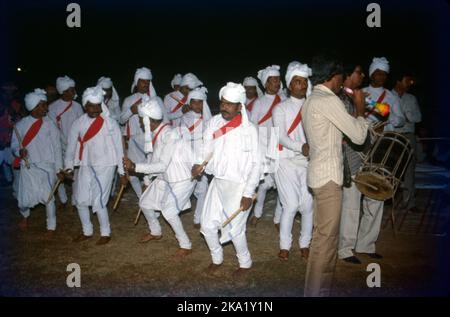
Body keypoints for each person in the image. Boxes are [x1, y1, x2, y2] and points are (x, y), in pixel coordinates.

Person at [302, 55, 369, 296]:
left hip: (319, 175)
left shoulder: (312, 99)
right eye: (342, 76)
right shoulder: (329, 101)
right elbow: (359, 136)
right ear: (334, 76)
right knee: (326, 242)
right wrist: (360, 110)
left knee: (322, 239)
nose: (344, 81)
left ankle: (316, 289)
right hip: (329, 179)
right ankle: (317, 292)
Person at [192, 82, 260, 277]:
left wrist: (248, 193)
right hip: (218, 181)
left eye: (230, 104)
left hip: (239, 185)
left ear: (240, 107)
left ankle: (245, 263)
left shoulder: (250, 130)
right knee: (206, 225)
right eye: (222, 103)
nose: (224, 107)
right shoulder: (214, 122)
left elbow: (256, 164)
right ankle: (217, 258)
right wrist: (199, 163)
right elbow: (207, 146)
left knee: (236, 229)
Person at [124, 97, 195, 258]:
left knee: (168, 211)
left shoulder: (169, 135)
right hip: (165, 177)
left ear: (149, 120)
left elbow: (161, 165)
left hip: (182, 178)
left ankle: (186, 245)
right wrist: (147, 180)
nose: (141, 124)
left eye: (142, 120)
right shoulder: (156, 133)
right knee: (145, 202)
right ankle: (156, 232)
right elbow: (153, 158)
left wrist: (135, 167)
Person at [65, 86, 127, 245]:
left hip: (106, 165)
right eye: (91, 105)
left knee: (98, 200)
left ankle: (105, 232)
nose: (95, 109)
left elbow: (119, 148)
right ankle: (87, 231)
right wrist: (69, 167)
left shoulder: (110, 122)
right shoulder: (78, 123)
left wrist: (122, 171)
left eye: (98, 105)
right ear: (85, 105)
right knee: (80, 200)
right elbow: (71, 147)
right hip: (85, 163)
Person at [337, 63, 384, 264]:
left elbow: (385, 110)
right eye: (358, 72)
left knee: (376, 197)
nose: (362, 75)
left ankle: (366, 244)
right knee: (351, 204)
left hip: (369, 153)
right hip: (349, 155)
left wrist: (366, 102)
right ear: (348, 75)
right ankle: (345, 249)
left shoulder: (358, 94)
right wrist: (359, 105)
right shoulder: (337, 97)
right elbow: (349, 128)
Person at [271, 62, 313, 261]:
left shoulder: (312, 106)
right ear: (289, 85)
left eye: (304, 81)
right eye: (297, 81)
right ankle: (285, 246)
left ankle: (305, 244)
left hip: (308, 161)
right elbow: (280, 137)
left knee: (307, 205)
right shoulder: (280, 108)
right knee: (290, 205)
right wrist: (301, 147)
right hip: (285, 160)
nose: (302, 85)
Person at [11, 89, 63, 236]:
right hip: (28, 166)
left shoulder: (49, 124)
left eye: (45, 105)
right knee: (24, 200)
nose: (45, 108)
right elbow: (15, 145)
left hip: (47, 166)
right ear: (32, 107)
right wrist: (18, 152)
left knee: (48, 198)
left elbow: (57, 147)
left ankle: (51, 227)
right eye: (41, 105)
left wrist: (59, 169)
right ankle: (25, 216)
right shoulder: (21, 125)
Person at [249, 65, 284, 228]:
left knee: (282, 184)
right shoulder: (259, 102)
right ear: (266, 83)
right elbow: (253, 125)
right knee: (263, 185)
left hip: (280, 144)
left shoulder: (284, 100)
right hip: (263, 145)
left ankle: (278, 218)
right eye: (273, 80)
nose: (276, 83)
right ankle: (257, 213)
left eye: (278, 79)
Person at [120, 67, 158, 200]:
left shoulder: (155, 99)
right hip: (134, 140)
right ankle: (142, 197)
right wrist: (131, 110)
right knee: (131, 173)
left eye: (148, 82)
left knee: (151, 171)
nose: (145, 84)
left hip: (150, 139)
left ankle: (152, 199)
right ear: (137, 82)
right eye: (142, 81)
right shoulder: (128, 100)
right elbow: (121, 119)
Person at [47, 76, 84, 209]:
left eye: (73, 89)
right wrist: (62, 142)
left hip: (75, 144)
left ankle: (75, 199)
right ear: (62, 91)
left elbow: (81, 125)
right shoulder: (52, 107)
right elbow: (52, 129)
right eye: (70, 90)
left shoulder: (78, 106)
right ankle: (62, 198)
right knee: (60, 170)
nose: (73, 92)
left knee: (74, 171)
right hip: (58, 144)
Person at [178, 87, 212, 227]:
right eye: (194, 102)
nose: (197, 105)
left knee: (203, 189)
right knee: (185, 187)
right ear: (189, 103)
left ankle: (198, 218)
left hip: (202, 157)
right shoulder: (185, 118)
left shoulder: (209, 120)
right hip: (188, 157)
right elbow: (182, 138)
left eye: (200, 102)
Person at [392, 71, 422, 212]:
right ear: (398, 81)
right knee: (391, 168)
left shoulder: (411, 98)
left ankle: (410, 202)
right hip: (392, 135)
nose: (410, 83)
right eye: (407, 80)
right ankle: (387, 198)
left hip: (408, 135)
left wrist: (406, 116)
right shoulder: (388, 96)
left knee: (409, 169)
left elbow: (418, 118)